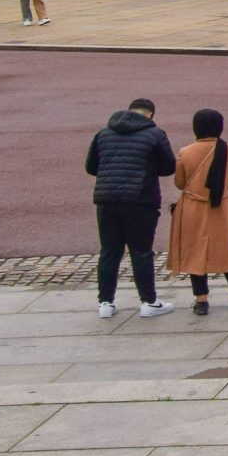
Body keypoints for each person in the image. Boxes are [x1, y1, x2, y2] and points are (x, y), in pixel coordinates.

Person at [85, 97, 176, 318]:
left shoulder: (104, 133)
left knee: (109, 251)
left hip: (106, 199)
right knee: (141, 252)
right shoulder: (155, 134)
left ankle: (105, 303)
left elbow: (91, 166)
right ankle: (149, 302)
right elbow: (168, 167)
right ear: (150, 115)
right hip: (140, 200)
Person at [169, 108, 228, 316]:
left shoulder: (186, 152)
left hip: (194, 208)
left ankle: (201, 299)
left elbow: (179, 183)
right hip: (222, 208)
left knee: (196, 252)